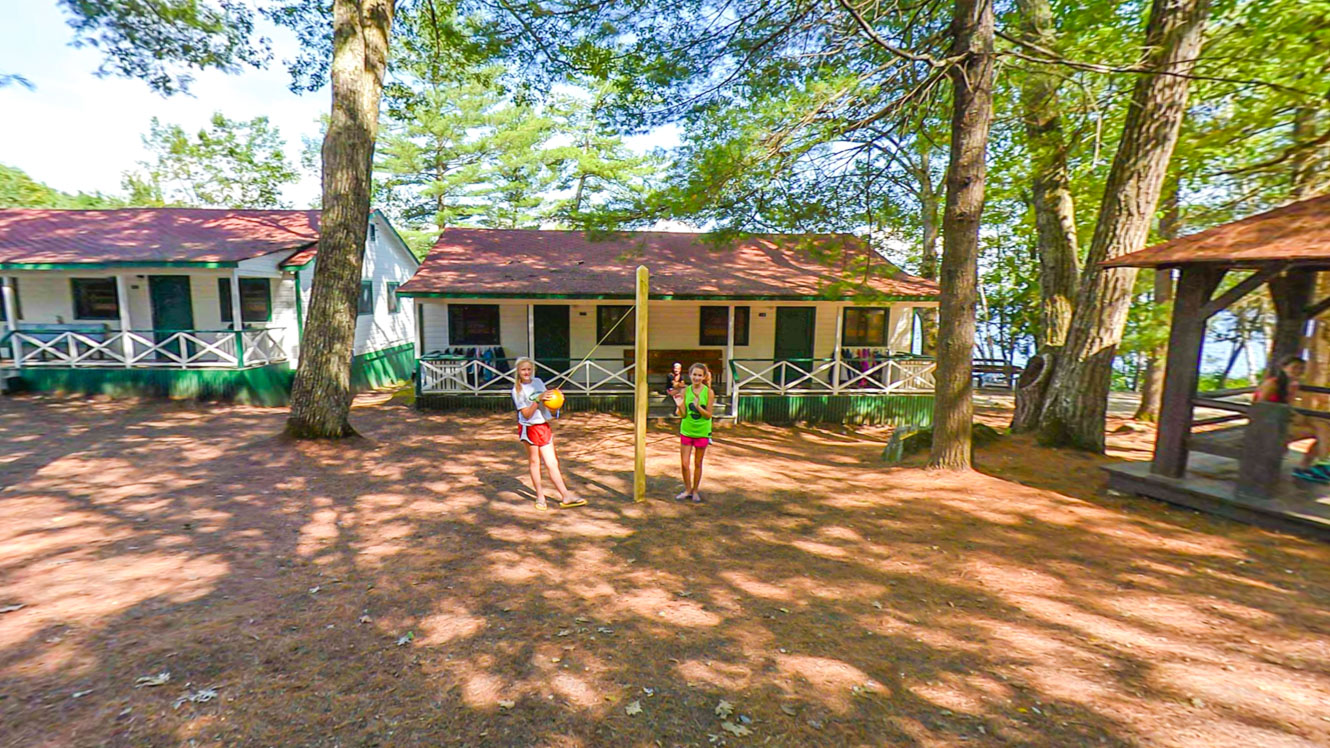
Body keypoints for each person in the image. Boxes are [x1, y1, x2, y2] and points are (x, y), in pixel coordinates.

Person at [512, 357, 586, 510]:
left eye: (529, 369)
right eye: (523, 370)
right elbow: (526, 414)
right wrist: (537, 399)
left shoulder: (538, 382)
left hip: (543, 425)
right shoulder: (517, 390)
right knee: (535, 462)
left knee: (552, 463)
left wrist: (557, 400)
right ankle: (540, 497)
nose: (527, 372)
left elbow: (549, 405)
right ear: (518, 372)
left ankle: (565, 495)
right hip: (529, 427)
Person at [1253, 355, 1330, 482]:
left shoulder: (1292, 385)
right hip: (1268, 424)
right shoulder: (1272, 384)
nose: (1298, 371)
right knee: (1321, 432)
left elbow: (1289, 406)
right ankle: (1317, 466)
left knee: (1322, 426)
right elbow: (1260, 408)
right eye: (1295, 368)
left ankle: (1321, 465)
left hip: (1282, 420)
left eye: (1301, 369)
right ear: (1284, 368)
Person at [676, 362, 715, 503]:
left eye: (699, 375)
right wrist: (680, 406)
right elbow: (683, 414)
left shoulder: (708, 392)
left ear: (704, 377)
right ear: (690, 375)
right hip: (687, 430)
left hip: (702, 431)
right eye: (694, 375)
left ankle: (696, 491)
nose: (696, 377)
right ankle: (687, 489)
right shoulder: (685, 391)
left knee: (698, 463)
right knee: (685, 464)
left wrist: (698, 406)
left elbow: (708, 415)